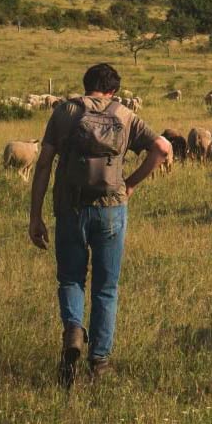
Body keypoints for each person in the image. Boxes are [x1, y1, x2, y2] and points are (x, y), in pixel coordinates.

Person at [28, 63, 171, 389]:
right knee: (106, 287)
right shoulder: (124, 114)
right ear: (113, 90)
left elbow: (43, 165)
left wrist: (35, 215)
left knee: (71, 279)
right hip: (111, 210)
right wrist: (130, 184)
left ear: (86, 84)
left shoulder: (65, 111)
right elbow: (162, 148)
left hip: (70, 208)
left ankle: (74, 332)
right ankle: (100, 361)